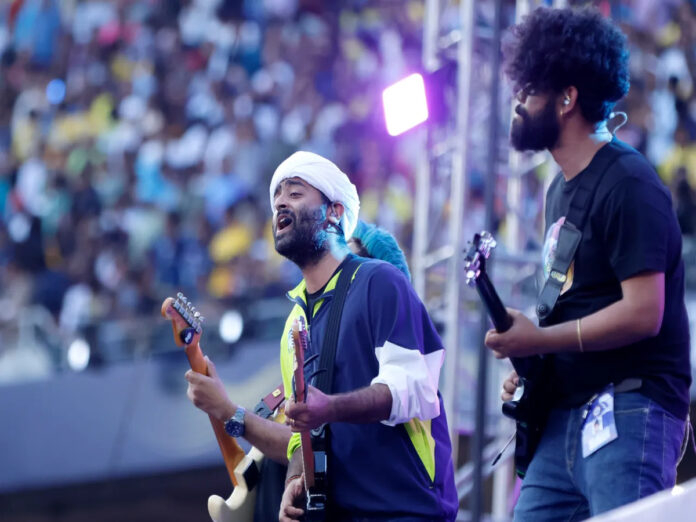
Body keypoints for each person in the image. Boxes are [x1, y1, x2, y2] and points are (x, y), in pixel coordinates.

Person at [485, 7, 691, 520]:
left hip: (629, 408)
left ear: (567, 97)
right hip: (564, 417)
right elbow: (576, 308)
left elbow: (644, 313)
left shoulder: (629, 182)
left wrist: (541, 339)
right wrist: (535, 366)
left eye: (529, 87)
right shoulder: (559, 191)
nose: (516, 100)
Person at [265, 151, 456, 521]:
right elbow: (299, 437)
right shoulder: (294, 324)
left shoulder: (378, 281)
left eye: (295, 192)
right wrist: (294, 477)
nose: (280, 202)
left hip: (404, 511)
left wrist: (331, 407)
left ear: (335, 212)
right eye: (277, 197)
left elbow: (413, 388)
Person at [184, 219, 417, 521]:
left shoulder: (376, 362)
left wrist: (230, 412)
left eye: (349, 266)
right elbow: (300, 444)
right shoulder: (308, 340)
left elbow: (326, 447)